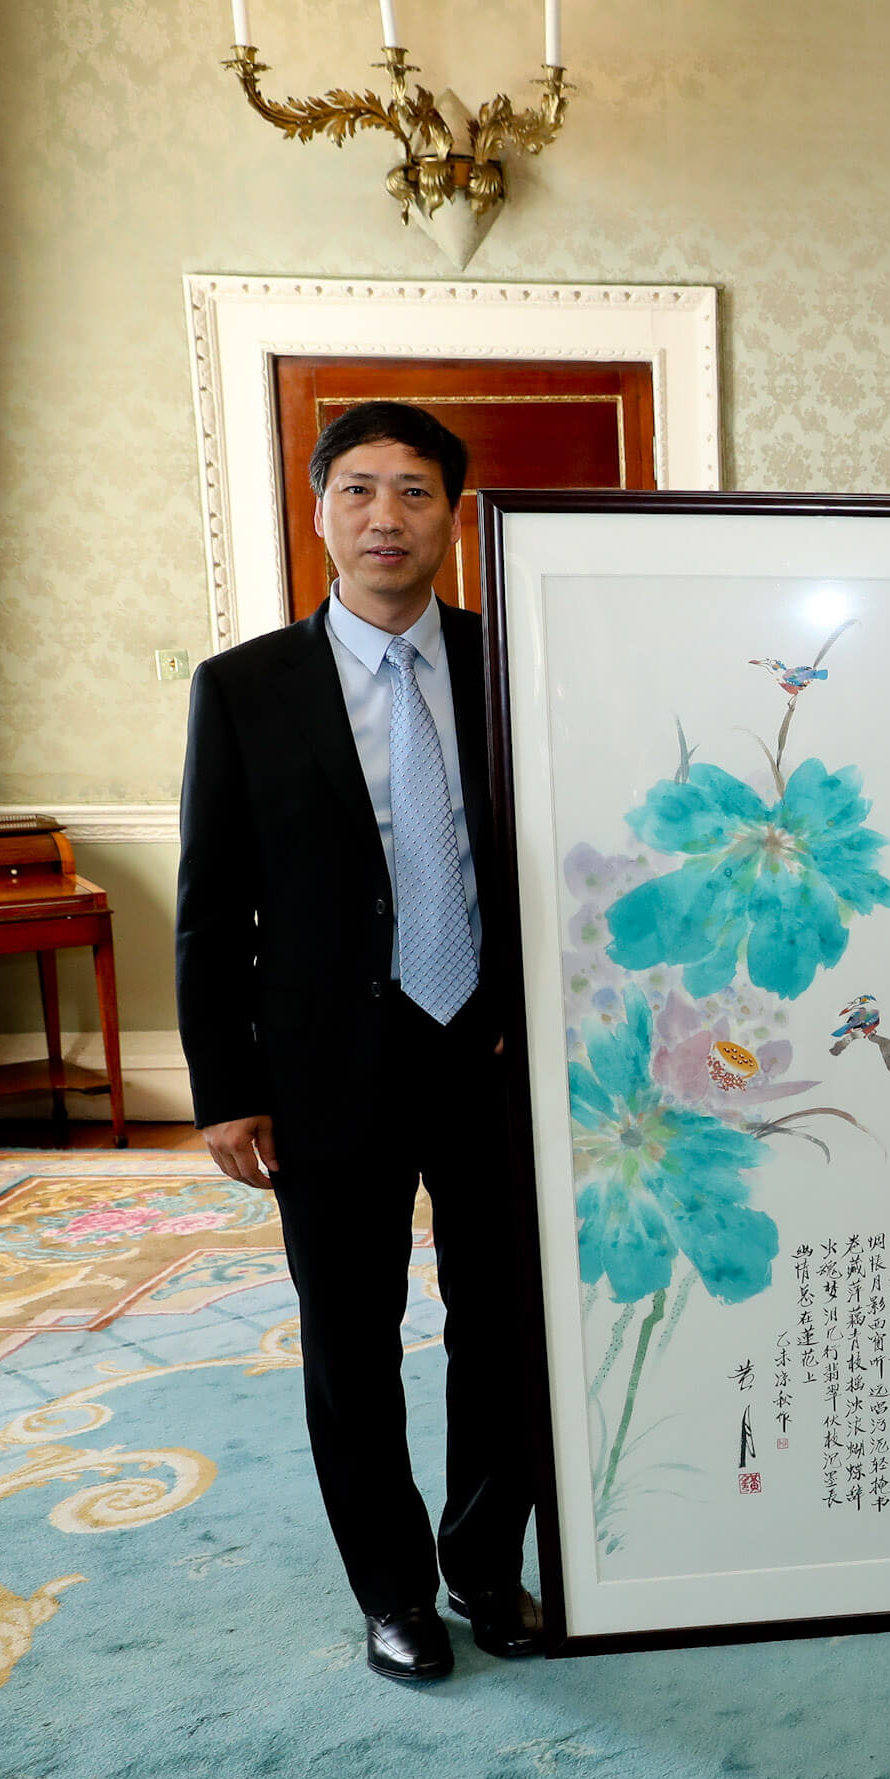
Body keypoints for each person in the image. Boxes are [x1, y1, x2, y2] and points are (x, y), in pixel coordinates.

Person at [176, 401, 540, 1683]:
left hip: (493, 1053)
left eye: (417, 492)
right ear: (322, 508)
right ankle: (392, 1589)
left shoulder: (514, 660)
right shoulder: (244, 688)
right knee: (349, 1335)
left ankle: (486, 1562)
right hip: (326, 1064)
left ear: (454, 515)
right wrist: (224, 1086)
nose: (388, 517)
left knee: (506, 1324)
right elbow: (211, 904)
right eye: (361, 490)